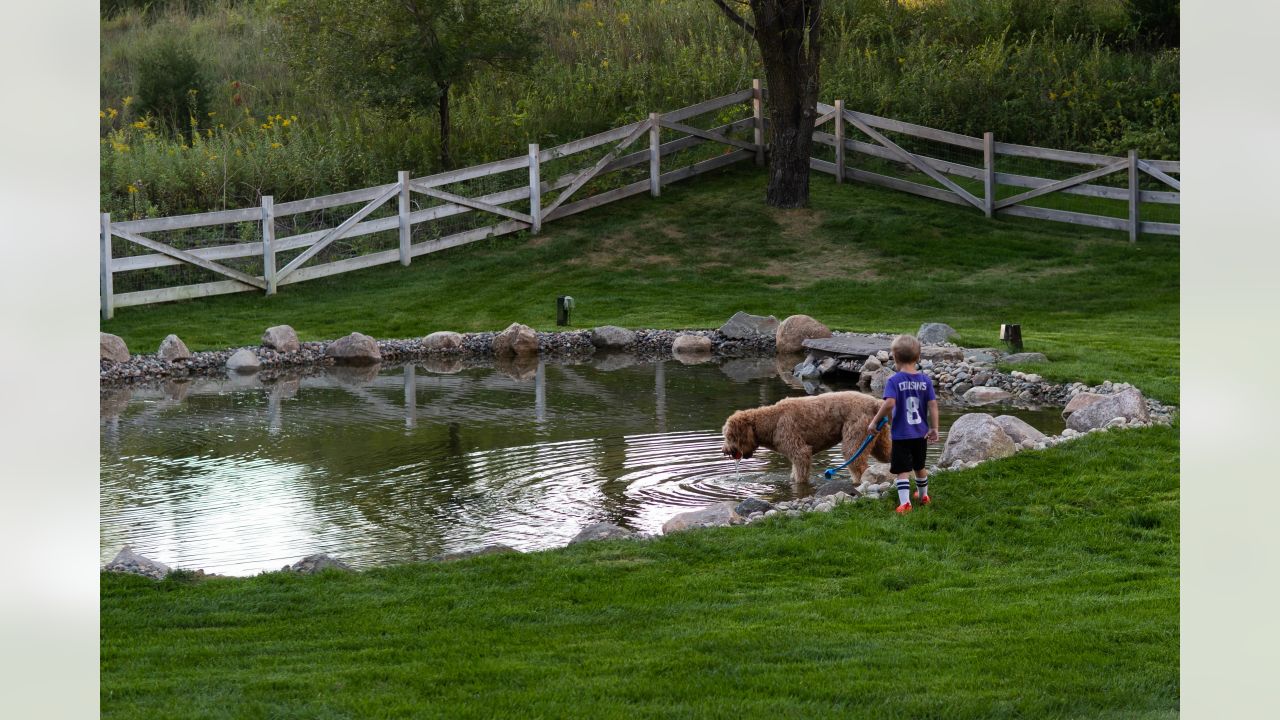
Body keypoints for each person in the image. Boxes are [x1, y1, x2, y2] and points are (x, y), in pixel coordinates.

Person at [867, 334, 939, 514]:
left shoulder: (894, 380)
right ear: (918, 357)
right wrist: (935, 428)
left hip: (901, 435)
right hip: (921, 433)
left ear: (895, 358)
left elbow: (890, 404)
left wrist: (875, 421)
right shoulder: (926, 380)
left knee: (902, 471)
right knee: (920, 466)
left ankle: (905, 503)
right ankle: (923, 496)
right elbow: (933, 405)